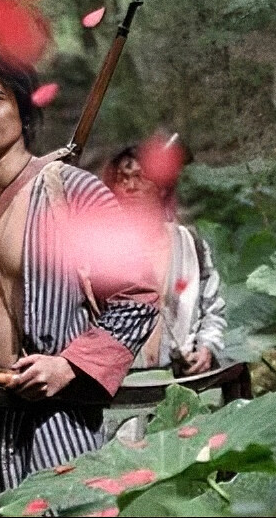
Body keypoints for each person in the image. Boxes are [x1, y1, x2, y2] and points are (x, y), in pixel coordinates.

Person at [0, 54, 160, 508]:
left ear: (22, 112)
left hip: (60, 422)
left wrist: (68, 366)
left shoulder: (76, 192)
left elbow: (137, 296)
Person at [100, 143, 227, 376]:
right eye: (122, 179)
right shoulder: (99, 250)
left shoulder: (189, 244)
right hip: (122, 380)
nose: (130, 187)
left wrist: (206, 347)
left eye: (139, 177)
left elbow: (212, 308)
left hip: (182, 375)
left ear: (161, 187)